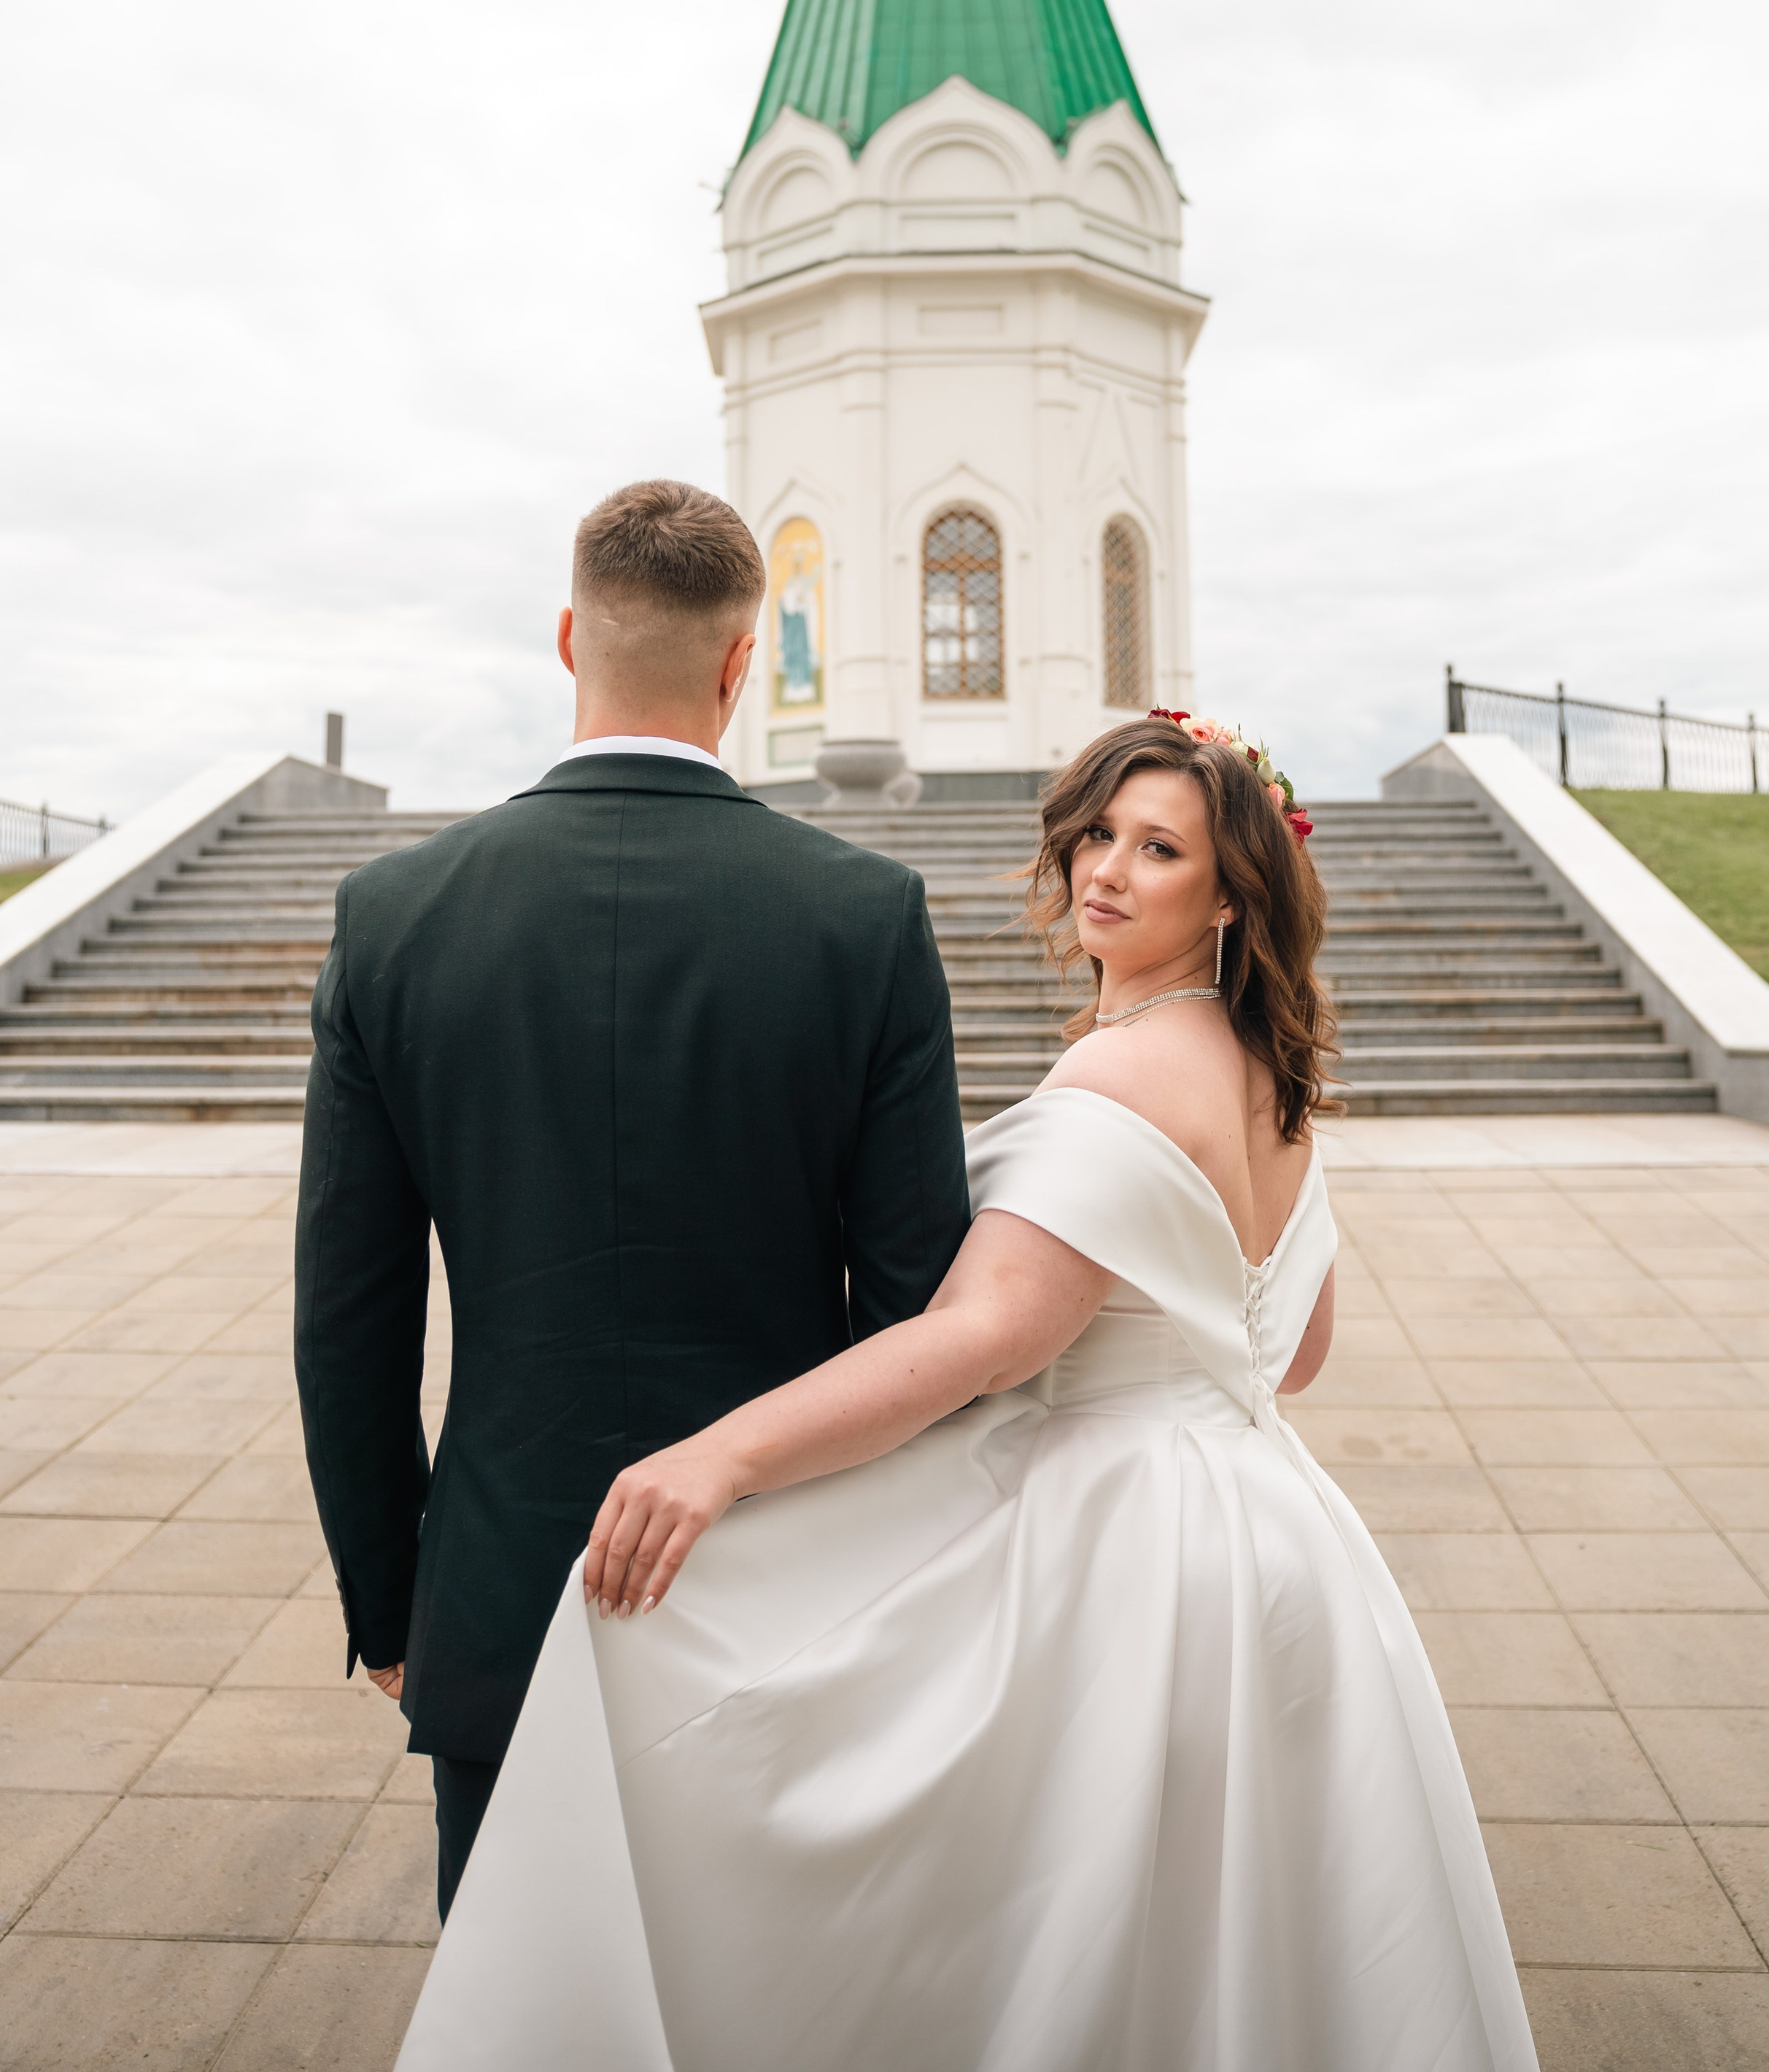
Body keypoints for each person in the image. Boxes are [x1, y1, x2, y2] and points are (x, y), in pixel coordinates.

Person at [395, 714, 1538, 2071]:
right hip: (1277, 1533)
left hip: (1125, 1551)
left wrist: (723, 1456)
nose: (1105, 870)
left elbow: (984, 1339)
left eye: (1159, 849)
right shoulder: (1271, 1080)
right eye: (1098, 834)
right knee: (1238, 1927)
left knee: (1050, 1917)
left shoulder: (1124, 1067)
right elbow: (1290, 1356)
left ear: (1231, 894)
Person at [293, 479, 969, 1920]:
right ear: (743, 660)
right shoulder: (864, 918)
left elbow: (349, 1320)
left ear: (567, 639)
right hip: (783, 1586)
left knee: (519, 1997)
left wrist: (390, 1599)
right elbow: (916, 1309)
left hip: (497, 1592)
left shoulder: (393, 916)